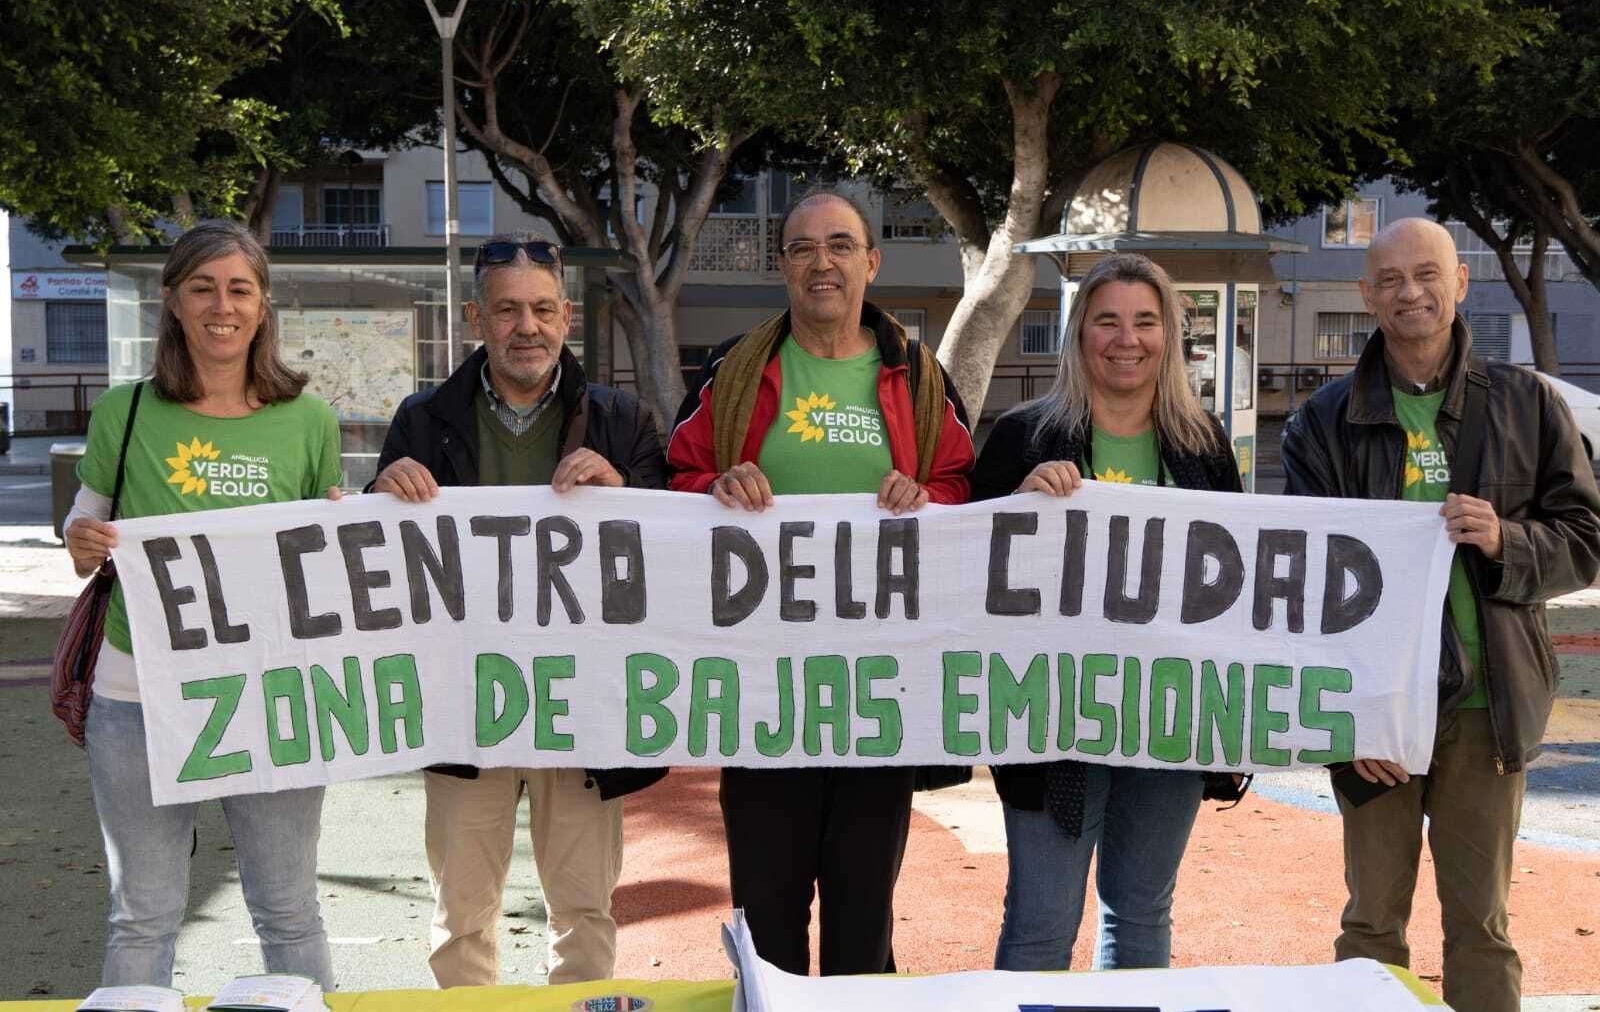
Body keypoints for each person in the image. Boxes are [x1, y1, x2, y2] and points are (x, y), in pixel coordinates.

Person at [1281, 217, 1600, 1012]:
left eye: (1427, 274)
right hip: (1375, 713)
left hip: (1488, 707)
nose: (1409, 292)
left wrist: (1507, 539)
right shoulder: (1322, 420)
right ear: (1366, 295)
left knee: (1481, 927)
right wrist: (1356, 715)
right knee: (1371, 921)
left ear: (1460, 283)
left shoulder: (1528, 404)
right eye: (1388, 279)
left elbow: (1587, 539)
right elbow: (1306, 577)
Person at [666, 189, 975, 975]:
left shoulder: (920, 378)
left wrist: (926, 497)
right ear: (782, 267)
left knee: (863, 917)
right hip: (763, 693)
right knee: (765, 918)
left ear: (872, 262)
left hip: (878, 695)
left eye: (840, 244)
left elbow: (966, 493)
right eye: (802, 247)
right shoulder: (737, 371)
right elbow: (671, 479)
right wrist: (715, 488)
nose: (821, 261)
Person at [369, 231, 667, 987]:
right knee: (462, 909)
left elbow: (675, 542)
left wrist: (626, 493)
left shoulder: (623, 420)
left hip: (583, 700)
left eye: (540, 308)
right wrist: (380, 498)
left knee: (584, 905)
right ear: (476, 317)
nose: (525, 326)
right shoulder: (422, 419)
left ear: (567, 314)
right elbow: (380, 557)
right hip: (464, 700)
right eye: (506, 310)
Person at [63, 220, 342, 989]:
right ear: (173, 303)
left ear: (263, 306)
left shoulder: (309, 419)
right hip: (138, 695)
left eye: (239, 289)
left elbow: (331, 543)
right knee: (143, 911)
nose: (223, 305)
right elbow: (84, 518)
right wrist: (79, 538)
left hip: (273, 693)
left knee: (288, 909)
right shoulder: (125, 412)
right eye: (203, 287)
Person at [970, 252, 1242, 972]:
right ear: (1079, 333)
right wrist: (1015, 506)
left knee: (1142, 906)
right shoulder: (1022, 437)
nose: (1128, 339)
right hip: (1049, 718)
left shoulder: (1203, 443)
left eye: (1146, 321)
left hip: (1170, 714)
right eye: (1108, 321)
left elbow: (1241, 584)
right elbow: (962, 570)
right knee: (1041, 919)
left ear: (1170, 335)